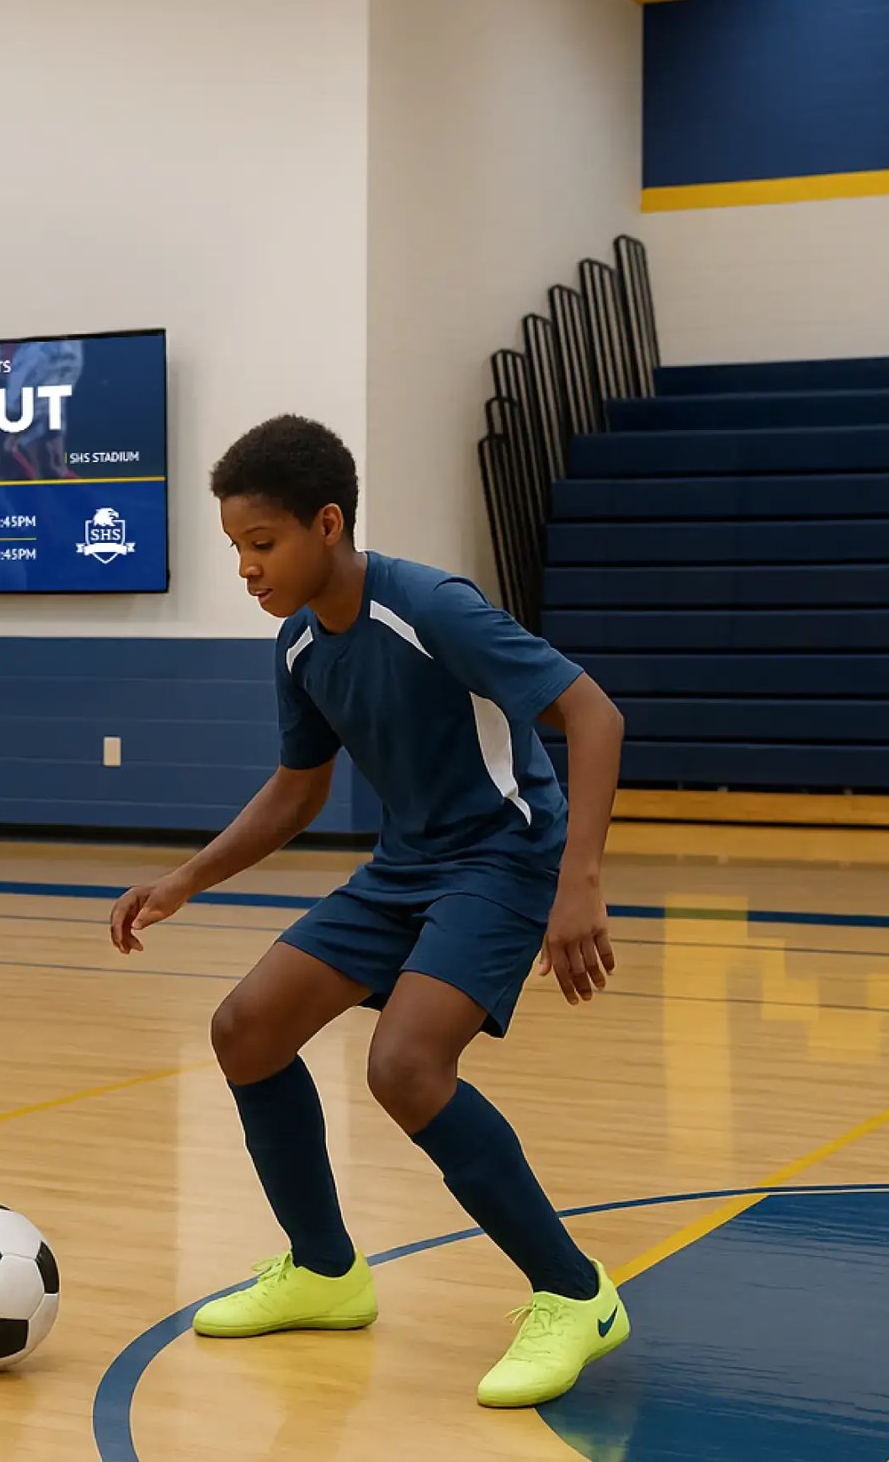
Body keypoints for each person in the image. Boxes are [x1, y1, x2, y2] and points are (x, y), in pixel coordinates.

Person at [109, 413, 629, 1407]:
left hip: (504, 857)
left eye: (261, 546)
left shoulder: (429, 606)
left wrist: (578, 880)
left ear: (328, 525)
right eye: (236, 551)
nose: (247, 571)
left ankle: (574, 1294)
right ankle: (323, 1271)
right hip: (405, 868)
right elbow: (298, 791)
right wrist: (183, 880)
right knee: (244, 1030)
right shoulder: (301, 643)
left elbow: (592, 713)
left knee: (403, 1064)